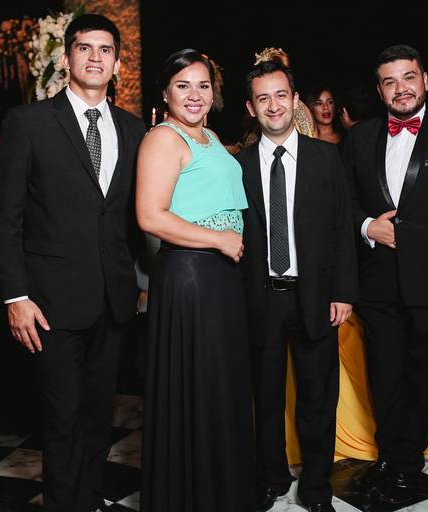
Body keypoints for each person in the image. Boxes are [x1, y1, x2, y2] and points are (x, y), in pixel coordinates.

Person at [0, 14, 146, 512]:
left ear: (117, 63)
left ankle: (88, 498)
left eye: (105, 49)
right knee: (62, 417)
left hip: (113, 300)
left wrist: (144, 279)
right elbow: (6, 218)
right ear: (66, 57)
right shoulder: (28, 122)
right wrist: (15, 297)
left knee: (100, 415)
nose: (95, 57)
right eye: (84, 48)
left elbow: (134, 217)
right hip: (50, 303)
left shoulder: (134, 129)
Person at [341, 44, 428, 505]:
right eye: (390, 81)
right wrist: (366, 226)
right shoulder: (359, 137)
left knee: (424, 374)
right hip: (378, 281)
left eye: (408, 77)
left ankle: (408, 459)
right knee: (384, 374)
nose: (401, 89)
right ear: (379, 91)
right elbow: (343, 202)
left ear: (425, 80)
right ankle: (389, 453)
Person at [136, 49, 254, 512]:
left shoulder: (210, 137)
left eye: (203, 85)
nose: (194, 94)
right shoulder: (162, 138)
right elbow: (150, 215)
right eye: (182, 85)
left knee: (219, 388)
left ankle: (221, 494)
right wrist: (218, 239)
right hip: (190, 275)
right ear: (165, 93)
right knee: (198, 389)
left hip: (218, 277)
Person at [237, 60, 357, 512]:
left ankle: (316, 487)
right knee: (265, 397)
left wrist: (343, 291)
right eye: (263, 98)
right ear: (251, 107)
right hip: (260, 298)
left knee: (317, 398)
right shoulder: (238, 166)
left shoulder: (326, 158)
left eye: (280, 95)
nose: (273, 105)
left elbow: (342, 228)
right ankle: (270, 477)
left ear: (295, 100)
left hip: (315, 298)